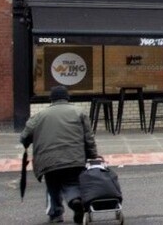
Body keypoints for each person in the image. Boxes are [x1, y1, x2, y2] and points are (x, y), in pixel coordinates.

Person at [20, 86, 99, 224]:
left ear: (51, 99)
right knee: (72, 182)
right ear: (67, 98)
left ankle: (56, 214)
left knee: (53, 185)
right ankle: (75, 200)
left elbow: (24, 137)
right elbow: (89, 137)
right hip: (74, 157)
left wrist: (30, 140)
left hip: (48, 160)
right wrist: (93, 154)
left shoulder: (39, 115)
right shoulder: (79, 112)